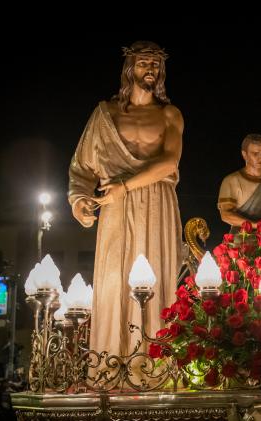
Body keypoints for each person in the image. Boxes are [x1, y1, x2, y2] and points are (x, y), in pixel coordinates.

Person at [68, 41, 183, 361]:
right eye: (145, 63)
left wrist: (125, 186)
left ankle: (156, 364)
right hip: (115, 207)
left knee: (157, 281)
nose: (151, 70)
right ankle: (111, 361)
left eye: (156, 65)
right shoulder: (105, 113)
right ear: (130, 68)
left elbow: (169, 162)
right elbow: (82, 166)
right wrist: (79, 200)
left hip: (156, 202)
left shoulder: (169, 114)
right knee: (114, 281)